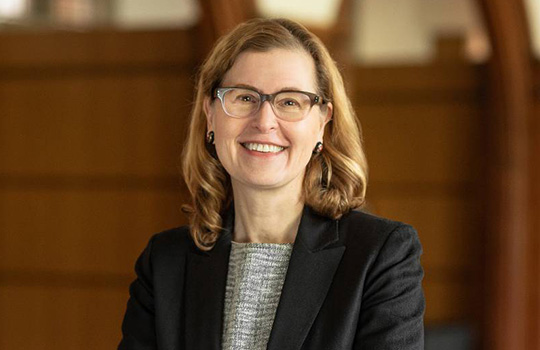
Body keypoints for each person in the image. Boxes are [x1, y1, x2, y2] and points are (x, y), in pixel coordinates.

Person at [118, 18, 424, 350]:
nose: (264, 122)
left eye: (290, 102)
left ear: (322, 122)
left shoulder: (381, 255)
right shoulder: (164, 263)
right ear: (210, 114)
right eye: (244, 98)